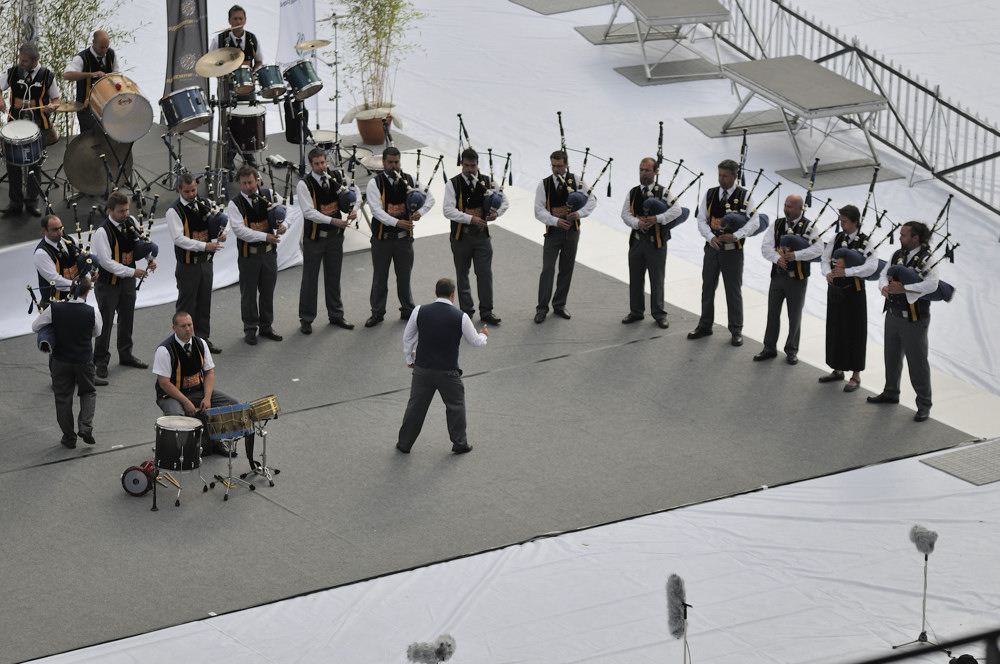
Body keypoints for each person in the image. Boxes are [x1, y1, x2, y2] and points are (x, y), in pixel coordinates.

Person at [396, 278, 488, 455]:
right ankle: (459, 443)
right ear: (453, 295)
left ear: (435, 292)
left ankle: (404, 443)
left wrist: (410, 359)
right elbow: (474, 341)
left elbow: (408, 338)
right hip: (448, 372)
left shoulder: (419, 311)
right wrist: (483, 335)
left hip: (422, 370)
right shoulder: (461, 316)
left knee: (415, 408)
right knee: (456, 406)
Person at [153, 311, 253, 458]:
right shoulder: (164, 350)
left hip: (197, 391)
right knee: (178, 416)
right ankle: (182, 451)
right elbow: (164, 383)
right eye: (183, 326)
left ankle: (216, 441)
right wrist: (186, 402)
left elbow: (209, 373)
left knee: (232, 404)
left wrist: (207, 398)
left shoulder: (200, 343)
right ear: (174, 328)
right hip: (170, 395)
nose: (188, 329)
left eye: (190, 325)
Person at [868, 221, 939, 422]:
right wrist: (883, 287)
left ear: (915, 238)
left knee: (917, 363)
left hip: (914, 320)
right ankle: (891, 391)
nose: (900, 238)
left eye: (904, 235)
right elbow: (884, 273)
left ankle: (924, 403)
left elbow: (932, 285)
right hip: (893, 314)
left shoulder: (928, 259)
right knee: (891, 356)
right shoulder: (897, 255)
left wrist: (906, 290)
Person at [688, 159, 759, 346]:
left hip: (733, 252)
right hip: (712, 248)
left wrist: (736, 235)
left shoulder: (745, 196)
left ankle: (736, 329)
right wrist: (710, 237)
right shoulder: (711, 194)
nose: (721, 179)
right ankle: (705, 324)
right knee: (707, 286)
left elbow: (754, 222)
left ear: (735, 176)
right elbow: (702, 219)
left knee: (733, 290)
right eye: (719, 175)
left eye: (725, 176)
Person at [365, 146, 435, 327]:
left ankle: (408, 310)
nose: (394, 166)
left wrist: (420, 212)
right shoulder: (375, 183)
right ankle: (377, 312)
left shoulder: (409, 180)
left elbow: (431, 198)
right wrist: (397, 222)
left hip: (404, 239)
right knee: (380, 277)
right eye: (390, 162)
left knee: (404, 277)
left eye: (397, 162)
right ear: (383, 163)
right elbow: (376, 211)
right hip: (383, 239)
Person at [31, 276, 103, 448]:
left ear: (70, 289)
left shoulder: (55, 308)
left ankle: (69, 437)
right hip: (83, 359)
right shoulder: (93, 311)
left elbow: (35, 326)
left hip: (60, 360)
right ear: (89, 290)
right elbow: (97, 333)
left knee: (63, 398)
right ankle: (85, 427)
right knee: (88, 392)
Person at [91, 191, 154, 379]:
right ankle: (100, 360)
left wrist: (151, 258)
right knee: (106, 323)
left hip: (127, 282)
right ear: (110, 211)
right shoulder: (102, 232)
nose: (125, 214)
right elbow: (106, 263)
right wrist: (132, 272)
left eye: (126, 210)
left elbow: (140, 243)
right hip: (108, 284)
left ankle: (126, 354)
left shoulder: (131, 221)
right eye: (121, 211)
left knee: (127, 318)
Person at [753, 194, 822, 365]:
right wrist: (778, 259)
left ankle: (792, 350)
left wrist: (796, 255)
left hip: (797, 279)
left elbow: (819, 249)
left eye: (790, 206)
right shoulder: (777, 224)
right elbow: (765, 246)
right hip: (777, 276)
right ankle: (769, 347)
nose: (786, 209)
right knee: (772, 313)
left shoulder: (809, 228)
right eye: (785, 205)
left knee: (794, 315)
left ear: (800, 208)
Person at [442, 148, 508, 325]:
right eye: (466, 166)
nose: (470, 170)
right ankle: (466, 312)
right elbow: (448, 210)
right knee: (462, 274)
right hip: (461, 237)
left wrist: (497, 213)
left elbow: (504, 201)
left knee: (485, 274)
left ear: (478, 165)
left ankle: (487, 311)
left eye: (473, 166)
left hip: (482, 237)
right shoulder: (453, 184)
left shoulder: (487, 181)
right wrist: (471, 219)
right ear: (461, 164)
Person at [296, 148, 359, 334]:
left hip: (335, 238)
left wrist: (354, 208)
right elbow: (309, 212)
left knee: (334, 277)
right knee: (310, 279)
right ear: (310, 164)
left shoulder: (337, 175)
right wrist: (333, 220)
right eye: (317, 164)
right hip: (314, 239)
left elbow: (354, 191)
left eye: (323, 163)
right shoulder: (304, 185)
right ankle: (306, 319)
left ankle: (336, 315)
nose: (321, 167)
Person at [819, 204, 878, 392]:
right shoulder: (836, 238)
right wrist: (827, 273)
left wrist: (848, 271)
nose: (841, 224)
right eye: (840, 220)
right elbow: (825, 259)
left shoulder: (865, 242)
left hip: (854, 291)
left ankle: (855, 375)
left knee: (855, 331)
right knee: (836, 328)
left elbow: (872, 266)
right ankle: (837, 368)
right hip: (836, 290)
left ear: (855, 222)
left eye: (845, 221)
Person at [534, 149, 597, 323]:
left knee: (566, 268)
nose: (556, 170)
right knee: (547, 269)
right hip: (553, 232)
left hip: (572, 232)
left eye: (559, 166)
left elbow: (592, 200)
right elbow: (538, 211)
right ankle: (542, 308)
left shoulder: (576, 180)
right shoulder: (544, 184)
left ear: (566, 164)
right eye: (553, 166)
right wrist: (555, 221)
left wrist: (580, 213)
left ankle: (560, 304)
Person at [165, 173, 225, 354]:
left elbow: (219, 222)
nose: (191, 194)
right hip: (188, 265)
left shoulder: (204, 203)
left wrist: (222, 232)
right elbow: (179, 239)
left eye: (193, 190)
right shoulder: (173, 211)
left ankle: (203, 339)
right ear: (179, 190)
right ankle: (182, 344)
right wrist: (204, 245)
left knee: (204, 302)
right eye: (187, 191)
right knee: (186, 305)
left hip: (206, 263)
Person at [227, 165, 287, 345]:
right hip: (249, 257)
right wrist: (265, 235)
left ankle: (266, 326)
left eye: (251, 183)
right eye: (244, 183)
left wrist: (285, 225)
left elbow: (287, 209)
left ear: (257, 180)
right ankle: (250, 328)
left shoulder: (268, 194)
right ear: (239, 183)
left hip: (269, 254)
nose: (248, 187)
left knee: (268, 291)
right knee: (249, 294)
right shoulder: (235, 204)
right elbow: (240, 231)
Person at [620, 157, 683, 329]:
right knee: (635, 278)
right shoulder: (633, 192)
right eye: (641, 170)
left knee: (657, 279)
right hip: (637, 242)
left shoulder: (663, 192)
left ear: (656, 172)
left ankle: (659, 313)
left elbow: (677, 210)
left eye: (647, 170)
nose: (643, 173)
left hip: (656, 243)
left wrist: (658, 219)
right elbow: (625, 214)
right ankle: (636, 311)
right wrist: (637, 223)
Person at [0, 43, 61, 218]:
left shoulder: (47, 76)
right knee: (13, 165)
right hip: (15, 125)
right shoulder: (12, 72)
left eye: (24, 60)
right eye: (20, 59)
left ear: (35, 60)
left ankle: (32, 202)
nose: (21, 62)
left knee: (35, 165)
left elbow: (56, 99)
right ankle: (15, 203)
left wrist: (52, 106)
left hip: (39, 126)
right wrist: (1, 101)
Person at [62, 30, 117, 133]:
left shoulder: (111, 54)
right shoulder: (82, 58)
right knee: (91, 140)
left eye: (106, 47)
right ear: (93, 43)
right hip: (87, 108)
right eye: (101, 47)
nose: (104, 50)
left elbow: (116, 75)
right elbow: (67, 75)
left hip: (106, 105)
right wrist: (90, 74)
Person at [34, 214, 84, 306]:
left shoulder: (71, 240)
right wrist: (80, 286)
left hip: (76, 298)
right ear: (44, 230)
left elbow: (86, 255)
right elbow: (55, 280)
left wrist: (92, 271)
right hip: (53, 303)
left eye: (61, 228)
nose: (60, 232)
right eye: (55, 229)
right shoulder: (41, 253)